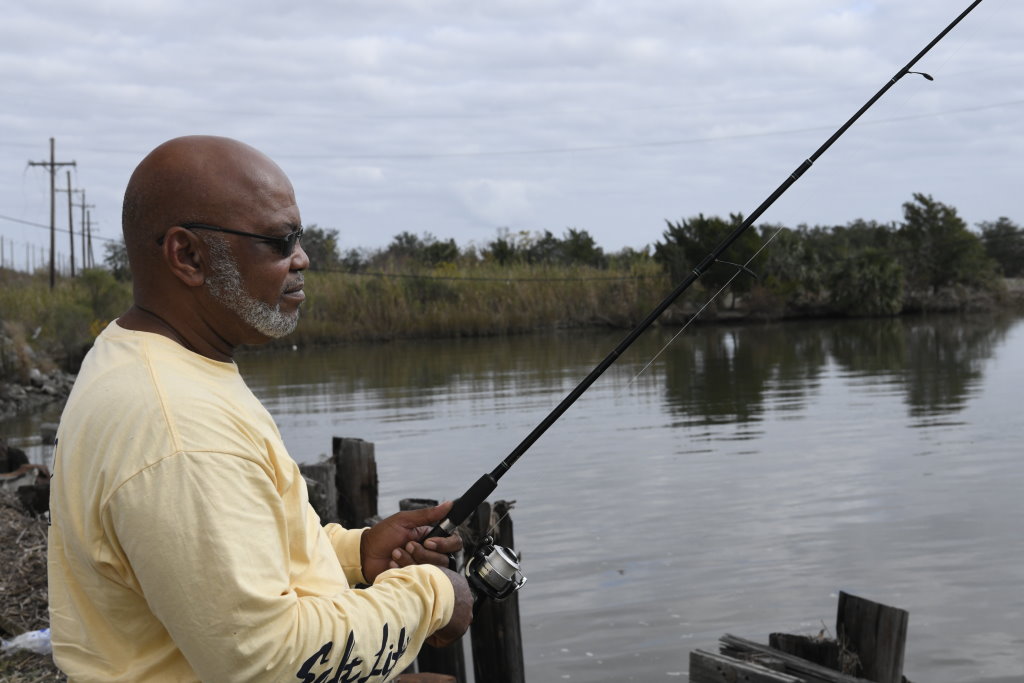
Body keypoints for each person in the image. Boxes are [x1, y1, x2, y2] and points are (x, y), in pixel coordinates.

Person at [47, 135, 473, 682]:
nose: (303, 258)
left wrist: (356, 552)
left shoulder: (145, 360)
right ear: (188, 256)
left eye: (300, 237)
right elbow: (265, 661)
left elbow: (234, 564)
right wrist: (434, 595)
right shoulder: (179, 428)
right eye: (279, 241)